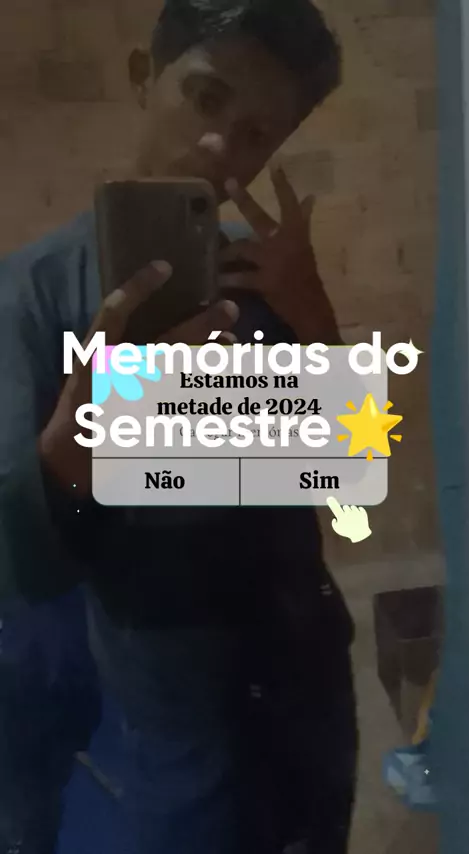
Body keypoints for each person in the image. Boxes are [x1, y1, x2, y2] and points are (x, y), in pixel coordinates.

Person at [0, 2, 358, 852]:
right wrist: (86, 439)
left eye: (257, 133)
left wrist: (314, 316)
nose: (219, 146)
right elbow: (21, 563)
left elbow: (349, 485)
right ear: (143, 77)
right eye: (206, 97)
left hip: (303, 704)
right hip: (157, 726)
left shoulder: (270, 279)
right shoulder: (36, 293)